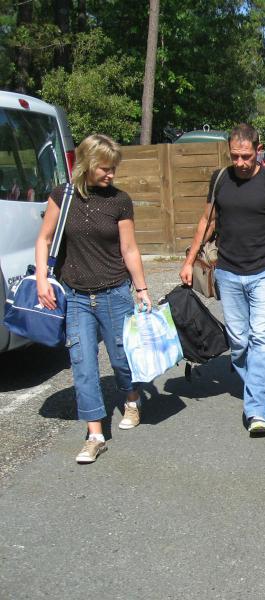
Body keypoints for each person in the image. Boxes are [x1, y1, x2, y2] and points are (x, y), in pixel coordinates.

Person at [181, 124, 265, 436]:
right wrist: (189, 261)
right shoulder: (220, 180)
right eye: (235, 156)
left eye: (246, 156)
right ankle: (259, 378)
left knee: (263, 340)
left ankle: (256, 411)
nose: (240, 162)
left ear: (258, 150)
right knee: (239, 342)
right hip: (228, 273)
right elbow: (207, 221)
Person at [34, 134, 152, 464]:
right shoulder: (62, 196)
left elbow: (129, 248)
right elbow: (44, 239)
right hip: (76, 296)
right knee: (83, 364)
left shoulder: (120, 200)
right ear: (87, 164)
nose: (111, 174)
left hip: (115, 292)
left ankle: (132, 398)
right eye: (105, 168)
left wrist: (141, 289)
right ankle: (95, 435)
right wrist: (42, 279)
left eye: (114, 168)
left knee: (121, 358)